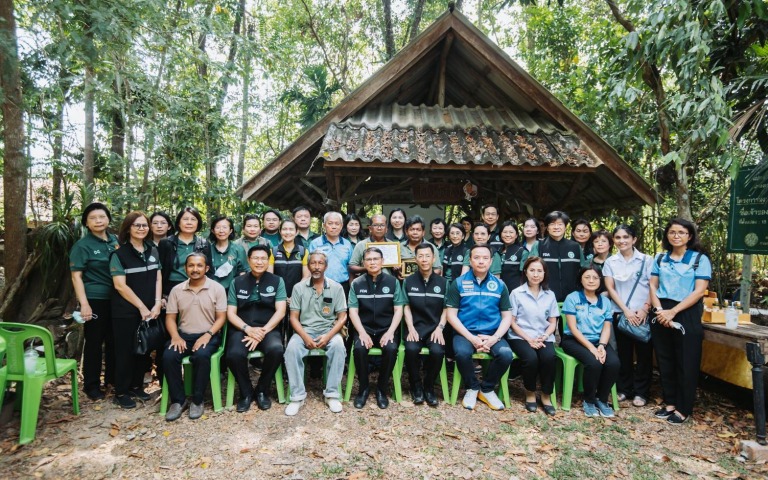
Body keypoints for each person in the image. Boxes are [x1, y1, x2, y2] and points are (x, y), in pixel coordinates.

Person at [649, 218, 711, 425]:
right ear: (667, 235)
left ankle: (684, 408)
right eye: (672, 232)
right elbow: (653, 286)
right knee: (665, 359)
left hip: (686, 310)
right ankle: (670, 403)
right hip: (660, 310)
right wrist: (659, 310)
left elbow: (700, 290)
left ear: (689, 236)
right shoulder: (660, 258)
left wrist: (673, 311)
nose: (676, 236)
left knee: (686, 360)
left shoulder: (699, 259)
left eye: (681, 232)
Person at [445, 244, 513, 411]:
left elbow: (507, 316)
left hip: (492, 333)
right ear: (470, 261)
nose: (480, 261)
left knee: (505, 355)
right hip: (465, 332)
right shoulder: (458, 283)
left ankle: (487, 388)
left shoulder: (500, 285)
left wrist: (494, 338)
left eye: (485, 258)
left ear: (491, 261)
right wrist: (471, 338)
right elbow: (451, 315)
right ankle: (472, 387)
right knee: (462, 353)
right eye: (476, 258)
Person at [163, 252, 227, 421]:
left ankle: (198, 400)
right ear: (185, 268)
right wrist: (175, 337)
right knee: (169, 356)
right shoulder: (177, 290)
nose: (195, 269)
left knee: (201, 356)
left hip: (209, 334)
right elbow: (170, 318)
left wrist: (207, 335)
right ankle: (178, 400)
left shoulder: (217, 288)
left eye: (199, 266)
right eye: (191, 265)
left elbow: (221, 317)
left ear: (206, 268)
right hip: (183, 335)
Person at [283, 252, 347, 416]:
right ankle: (297, 397)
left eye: (320, 263)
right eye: (313, 263)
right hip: (304, 330)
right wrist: (305, 336)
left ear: (326, 266)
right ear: (308, 266)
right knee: (291, 349)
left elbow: (342, 317)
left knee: (339, 346)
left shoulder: (336, 287)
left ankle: (331, 395)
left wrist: (328, 336)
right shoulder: (299, 288)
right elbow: (293, 318)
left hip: (329, 330)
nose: (316, 266)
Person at [110, 211, 161, 409]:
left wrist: (157, 303)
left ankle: (137, 386)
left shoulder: (153, 250)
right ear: (128, 228)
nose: (142, 228)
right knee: (125, 351)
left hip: (150, 310)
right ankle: (121, 392)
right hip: (126, 311)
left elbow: (158, 277)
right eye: (137, 225)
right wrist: (141, 306)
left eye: (144, 225)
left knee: (144, 349)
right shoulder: (119, 254)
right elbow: (120, 286)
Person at [226, 245, 287, 412]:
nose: (259, 262)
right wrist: (248, 329)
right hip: (242, 328)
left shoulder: (277, 281)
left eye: (263, 259)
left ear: (268, 261)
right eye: (255, 258)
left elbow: (281, 311)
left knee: (276, 350)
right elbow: (231, 313)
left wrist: (262, 332)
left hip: (268, 328)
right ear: (248, 260)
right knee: (233, 354)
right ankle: (245, 392)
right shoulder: (237, 282)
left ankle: (262, 389)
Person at [70, 202, 119, 400]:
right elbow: (76, 276)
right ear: (86, 223)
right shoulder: (82, 246)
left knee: (114, 341)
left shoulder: (114, 240)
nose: (98, 221)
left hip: (116, 298)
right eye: (93, 218)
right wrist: (84, 304)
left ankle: (112, 380)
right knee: (94, 342)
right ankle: (91, 385)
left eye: (102, 217)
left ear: (108, 219)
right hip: (95, 299)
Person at [348, 247, 406, 409]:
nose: (372, 262)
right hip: (364, 328)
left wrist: (390, 332)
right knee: (359, 349)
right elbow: (353, 311)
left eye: (376, 259)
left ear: (382, 262)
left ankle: (382, 389)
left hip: (386, 329)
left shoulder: (392, 282)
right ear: (364, 263)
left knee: (391, 348)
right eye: (369, 260)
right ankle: (364, 388)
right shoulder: (357, 283)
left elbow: (398, 310)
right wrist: (361, 332)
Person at [603, 224, 654, 407]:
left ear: (634, 239)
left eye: (626, 237)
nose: (622, 241)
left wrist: (645, 309)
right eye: (618, 238)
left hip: (643, 314)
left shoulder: (647, 260)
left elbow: (653, 286)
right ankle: (625, 389)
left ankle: (642, 392)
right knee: (623, 353)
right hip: (621, 313)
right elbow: (610, 287)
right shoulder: (611, 262)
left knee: (643, 354)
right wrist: (625, 310)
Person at [561, 266, 620, 417]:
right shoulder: (572, 298)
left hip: (597, 341)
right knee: (593, 363)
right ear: (581, 279)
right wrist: (591, 348)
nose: (591, 280)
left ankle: (601, 398)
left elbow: (607, 328)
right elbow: (573, 328)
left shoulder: (605, 302)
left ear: (600, 281)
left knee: (613, 363)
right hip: (573, 340)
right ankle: (589, 400)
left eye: (595, 277)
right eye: (587, 277)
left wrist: (601, 346)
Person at [508, 256, 559, 415]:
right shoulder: (516, 293)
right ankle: (530, 394)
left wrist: (544, 336)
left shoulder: (550, 295)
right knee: (531, 359)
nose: (535, 274)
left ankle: (545, 396)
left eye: (539, 271)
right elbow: (512, 322)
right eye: (532, 270)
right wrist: (528, 339)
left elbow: (552, 322)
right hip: (520, 336)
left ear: (544, 273)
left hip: (543, 336)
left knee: (549, 358)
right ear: (525, 272)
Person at [403, 243, 447, 407]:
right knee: (411, 349)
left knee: (437, 351)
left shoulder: (443, 282)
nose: (424, 259)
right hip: (415, 327)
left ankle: (428, 387)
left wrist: (440, 328)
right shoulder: (408, 281)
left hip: (435, 328)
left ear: (433, 258)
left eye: (427, 256)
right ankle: (416, 387)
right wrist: (411, 328)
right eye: (420, 256)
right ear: (415, 259)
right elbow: (405, 306)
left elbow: (447, 308)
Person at [158, 207, 210, 298]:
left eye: (193, 219)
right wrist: (160, 297)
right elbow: (159, 272)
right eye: (185, 219)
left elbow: (209, 271)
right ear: (179, 222)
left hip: (197, 288)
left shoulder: (204, 243)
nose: (189, 222)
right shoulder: (166, 243)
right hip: (170, 289)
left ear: (198, 223)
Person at [538, 211, 581, 302]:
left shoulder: (575, 246)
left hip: (573, 297)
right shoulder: (539, 245)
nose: (556, 227)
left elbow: (584, 271)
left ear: (565, 227)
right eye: (552, 224)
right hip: (545, 296)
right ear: (547, 227)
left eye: (560, 224)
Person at [309, 212, 354, 295]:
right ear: (324, 225)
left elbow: (351, 267)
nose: (334, 227)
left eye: (337, 224)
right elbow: (310, 266)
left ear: (341, 226)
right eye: (330, 223)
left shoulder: (347, 244)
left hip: (343, 286)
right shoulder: (315, 243)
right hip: (320, 285)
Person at [271, 219, 310, 302]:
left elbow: (306, 276)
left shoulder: (303, 251)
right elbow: (270, 276)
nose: (288, 232)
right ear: (280, 231)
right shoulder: (273, 251)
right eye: (284, 229)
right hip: (277, 297)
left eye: (291, 229)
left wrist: (295, 295)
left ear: (296, 232)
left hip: (299, 296)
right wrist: (281, 296)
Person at [207, 216, 249, 291]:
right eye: (218, 227)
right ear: (213, 230)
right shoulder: (207, 249)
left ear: (230, 231)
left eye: (224, 227)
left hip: (233, 291)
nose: (221, 230)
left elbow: (244, 271)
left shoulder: (238, 249)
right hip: (211, 290)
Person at [349, 214, 397, 278]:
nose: (379, 228)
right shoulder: (361, 245)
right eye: (375, 225)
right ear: (370, 228)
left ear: (386, 229)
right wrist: (369, 268)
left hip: (387, 284)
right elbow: (351, 267)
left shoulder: (392, 245)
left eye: (382, 225)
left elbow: (396, 266)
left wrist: (396, 267)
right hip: (366, 283)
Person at [499, 221, 525, 291]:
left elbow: (525, 275)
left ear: (516, 235)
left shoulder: (522, 251)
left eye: (511, 232)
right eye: (505, 232)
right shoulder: (497, 251)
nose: (507, 235)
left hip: (515, 291)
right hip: (498, 290)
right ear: (500, 234)